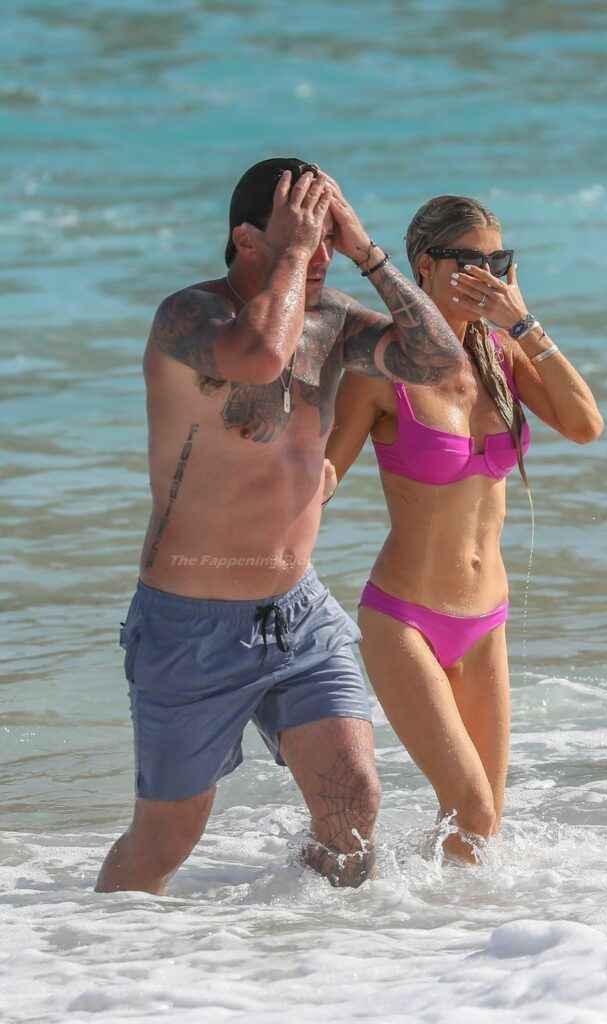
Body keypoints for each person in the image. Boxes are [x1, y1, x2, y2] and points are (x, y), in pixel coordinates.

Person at [95, 160, 470, 895]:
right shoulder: (189, 317)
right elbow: (262, 355)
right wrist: (298, 252)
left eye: (328, 235)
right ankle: (97, 953)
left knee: (352, 803)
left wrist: (369, 253)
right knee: (164, 841)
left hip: (299, 615)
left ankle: (293, 943)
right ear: (246, 240)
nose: (319, 251)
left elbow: (440, 363)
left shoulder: (333, 320)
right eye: (303, 232)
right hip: (188, 625)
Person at [325, 195, 604, 863]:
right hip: (405, 622)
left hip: (486, 624)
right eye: (471, 262)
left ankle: (419, 923)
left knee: (479, 832)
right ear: (425, 266)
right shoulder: (381, 370)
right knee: (472, 808)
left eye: (498, 263)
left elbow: (585, 425)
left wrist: (523, 320)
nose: (487, 277)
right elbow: (321, 479)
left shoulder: (501, 354)